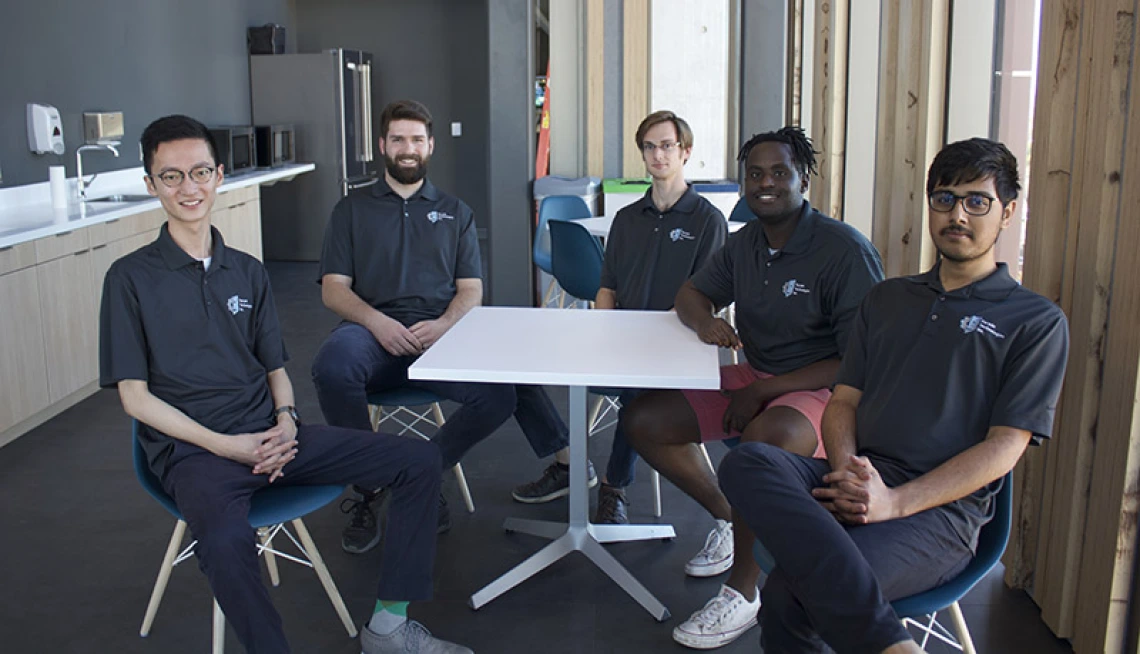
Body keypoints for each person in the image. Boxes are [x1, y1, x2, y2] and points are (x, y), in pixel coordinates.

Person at [100, 114, 472, 654]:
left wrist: (285, 423)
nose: (190, 188)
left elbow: (276, 369)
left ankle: (389, 628)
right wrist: (229, 446)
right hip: (194, 455)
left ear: (219, 175)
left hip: (272, 436)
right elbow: (135, 399)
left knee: (416, 463)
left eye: (200, 172)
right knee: (226, 542)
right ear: (151, 184)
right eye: (172, 176)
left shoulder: (248, 271)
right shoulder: (129, 278)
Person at [718, 137, 1070, 653]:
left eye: (978, 201)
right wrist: (849, 475)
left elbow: (1006, 447)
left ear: (1008, 211)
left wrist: (895, 502)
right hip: (862, 473)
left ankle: (885, 641)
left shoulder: (1035, 321)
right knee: (747, 463)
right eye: (944, 199)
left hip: (942, 512)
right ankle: (888, 641)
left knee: (791, 595)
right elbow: (843, 403)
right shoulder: (887, 300)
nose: (958, 214)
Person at [622, 126, 884, 649]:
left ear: (803, 178)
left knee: (761, 447)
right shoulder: (746, 244)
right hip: (755, 373)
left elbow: (859, 359)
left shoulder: (843, 251)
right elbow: (691, 293)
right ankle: (728, 516)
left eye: (779, 173)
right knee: (642, 421)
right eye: (755, 174)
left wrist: (766, 391)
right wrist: (705, 324)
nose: (766, 184)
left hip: (826, 388)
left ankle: (744, 593)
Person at [310, 100, 583, 554]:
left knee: (499, 393)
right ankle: (370, 487)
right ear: (383, 145)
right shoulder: (350, 209)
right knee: (332, 367)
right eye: (398, 139)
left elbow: (470, 290)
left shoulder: (456, 212)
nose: (407, 148)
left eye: (417, 139)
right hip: (370, 335)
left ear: (431, 146)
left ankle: (420, 472)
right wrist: (378, 324)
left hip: (438, 336)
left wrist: (444, 324)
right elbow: (334, 290)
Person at [512, 110, 727, 524]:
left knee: (635, 395)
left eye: (667, 146)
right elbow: (607, 287)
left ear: (685, 152)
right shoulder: (627, 219)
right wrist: (605, 334)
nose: (658, 155)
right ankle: (569, 460)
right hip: (621, 338)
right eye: (650, 147)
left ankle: (615, 485)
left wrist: (644, 339)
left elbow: (706, 296)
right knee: (522, 371)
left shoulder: (707, 221)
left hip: (675, 343)